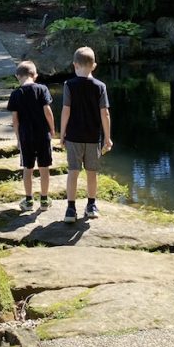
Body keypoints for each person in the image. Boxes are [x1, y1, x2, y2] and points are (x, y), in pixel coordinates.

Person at [60, 46, 112, 223]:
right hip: (92, 137)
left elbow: (65, 111)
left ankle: (70, 209)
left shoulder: (69, 85)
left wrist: (62, 134)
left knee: (73, 172)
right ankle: (91, 205)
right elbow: (105, 113)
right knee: (92, 173)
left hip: (73, 136)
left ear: (75, 65)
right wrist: (107, 137)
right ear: (94, 66)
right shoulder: (100, 86)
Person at [6, 60, 56, 211]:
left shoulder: (15, 94)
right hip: (42, 135)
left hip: (26, 136)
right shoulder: (42, 89)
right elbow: (48, 111)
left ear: (17, 76)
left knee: (27, 168)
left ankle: (28, 200)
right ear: (35, 75)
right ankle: (45, 200)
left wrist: (18, 138)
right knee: (44, 168)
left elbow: (15, 120)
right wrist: (52, 129)